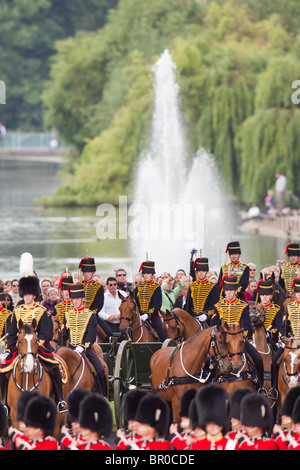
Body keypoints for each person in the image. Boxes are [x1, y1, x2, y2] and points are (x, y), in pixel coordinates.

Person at [0, 275, 66, 412]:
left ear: (34, 295)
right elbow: (12, 334)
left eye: (30, 294)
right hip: (20, 347)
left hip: (38, 346)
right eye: (26, 294)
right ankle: (5, 403)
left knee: (55, 367)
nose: (28, 297)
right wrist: (9, 349)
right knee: (3, 371)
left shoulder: (42, 312)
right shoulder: (16, 312)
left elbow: (46, 333)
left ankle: (60, 401)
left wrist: (37, 343)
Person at [211, 275, 264, 391]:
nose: (229, 293)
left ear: (235, 291)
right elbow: (213, 325)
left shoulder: (243, 305)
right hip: (223, 342)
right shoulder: (218, 306)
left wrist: (242, 336)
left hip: (239, 340)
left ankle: (260, 387)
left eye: (231, 290)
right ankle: (208, 389)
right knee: (207, 363)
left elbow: (246, 325)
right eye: (227, 290)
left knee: (258, 360)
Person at [62, 283, 107, 398]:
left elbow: (92, 335)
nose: (75, 301)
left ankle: (103, 397)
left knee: (101, 370)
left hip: (85, 349)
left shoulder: (90, 315)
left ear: (83, 299)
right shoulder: (67, 315)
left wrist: (82, 346)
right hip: (70, 349)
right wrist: (61, 349)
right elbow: (64, 335)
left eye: (77, 299)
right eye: (73, 299)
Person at [191, 384, 233, 450]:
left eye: (215, 423)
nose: (212, 426)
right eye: (209, 423)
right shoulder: (196, 446)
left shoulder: (231, 446)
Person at [78, 257, 111, 340]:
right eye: (85, 272)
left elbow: (99, 304)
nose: (87, 274)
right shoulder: (78, 285)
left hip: (92, 315)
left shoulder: (98, 287)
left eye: (89, 272)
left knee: (109, 333)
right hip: (78, 314)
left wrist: (90, 313)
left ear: (93, 273)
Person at [134, 261, 167, 341]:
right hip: (139, 316)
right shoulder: (138, 287)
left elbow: (157, 305)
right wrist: (139, 314)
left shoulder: (156, 287)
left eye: (148, 274)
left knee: (163, 334)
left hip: (153, 316)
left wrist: (147, 315)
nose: (146, 275)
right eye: (144, 274)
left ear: (152, 275)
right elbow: (136, 302)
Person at [186, 257, 220, 325]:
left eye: (203, 271)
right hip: (193, 319)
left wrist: (206, 315)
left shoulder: (213, 286)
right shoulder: (192, 286)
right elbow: (188, 304)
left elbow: (214, 305)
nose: (201, 273)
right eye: (199, 271)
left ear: (206, 272)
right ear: (196, 272)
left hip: (207, 320)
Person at [255, 279, 283, 345]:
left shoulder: (277, 310)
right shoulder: (255, 309)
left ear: (271, 296)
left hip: (272, 340)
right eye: (262, 295)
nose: (264, 297)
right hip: (256, 339)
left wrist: (268, 333)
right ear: (260, 296)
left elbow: (278, 327)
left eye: (267, 295)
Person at [52, 276, 74, 347]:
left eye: (68, 290)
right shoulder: (57, 307)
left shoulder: (75, 305)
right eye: (64, 290)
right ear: (62, 292)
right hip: (60, 335)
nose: (66, 292)